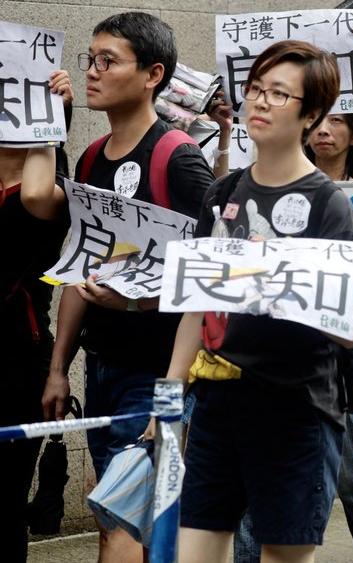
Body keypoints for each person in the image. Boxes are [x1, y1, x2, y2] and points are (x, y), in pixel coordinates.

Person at [156, 40, 353, 563]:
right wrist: (169, 397)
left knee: (283, 554)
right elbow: (195, 307)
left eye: (278, 93)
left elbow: (351, 329)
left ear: (311, 115)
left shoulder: (328, 204)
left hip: (295, 410)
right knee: (195, 550)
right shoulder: (221, 195)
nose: (260, 102)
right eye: (255, 89)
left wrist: (276, 275)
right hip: (217, 406)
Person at [35, 12, 214, 561]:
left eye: (107, 61)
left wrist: (139, 299)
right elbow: (76, 273)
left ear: (153, 75)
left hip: (158, 376)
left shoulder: (179, 159)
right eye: (90, 59)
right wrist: (60, 367)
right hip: (103, 367)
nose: (91, 72)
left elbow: (212, 280)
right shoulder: (89, 160)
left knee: (126, 523)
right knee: (110, 516)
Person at [225, 30, 353, 563]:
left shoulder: (341, 196)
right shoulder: (246, 183)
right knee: (257, 504)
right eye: (257, 89)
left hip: (320, 375)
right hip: (248, 379)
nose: (325, 131)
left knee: (352, 477)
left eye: (336, 122)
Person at [0, 70, 72, 563]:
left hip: (16, 361)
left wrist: (51, 118)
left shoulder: (50, 191)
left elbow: (32, 197)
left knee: (4, 500)